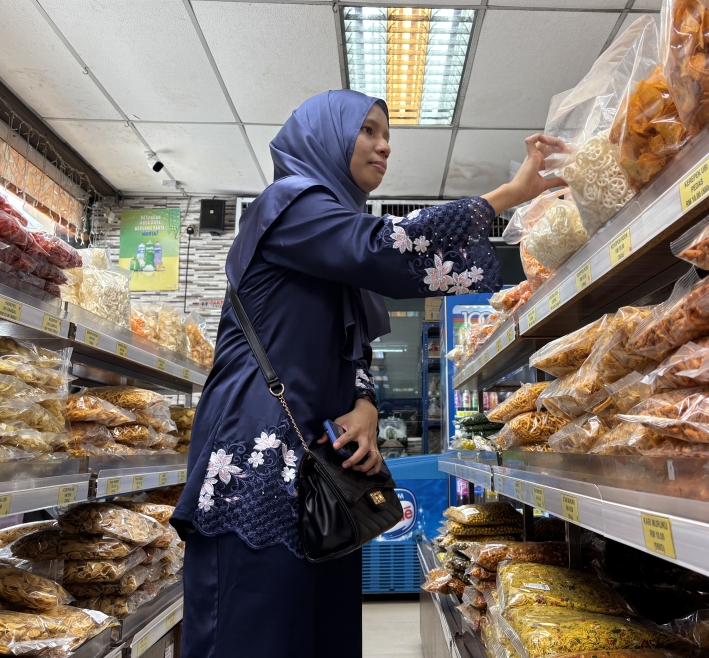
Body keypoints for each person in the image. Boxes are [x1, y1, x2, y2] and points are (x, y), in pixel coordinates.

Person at [171, 89, 566, 657]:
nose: (384, 146)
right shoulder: (287, 203)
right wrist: (508, 195)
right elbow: (383, 249)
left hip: (323, 472)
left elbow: (351, 352)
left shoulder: (330, 237)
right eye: (370, 130)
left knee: (318, 630)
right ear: (325, 136)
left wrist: (365, 406)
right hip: (258, 458)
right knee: (253, 628)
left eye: (388, 136)